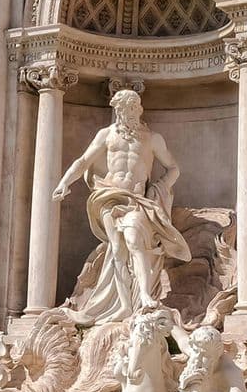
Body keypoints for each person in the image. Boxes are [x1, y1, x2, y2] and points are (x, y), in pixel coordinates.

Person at [53, 89, 190, 322]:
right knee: (117, 249)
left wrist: (159, 189)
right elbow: (83, 161)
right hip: (108, 196)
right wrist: (65, 183)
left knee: (135, 241)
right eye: (121, 110)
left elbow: (174, 168)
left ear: (138, 109)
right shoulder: (106, 135)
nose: (126, 114)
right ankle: (125, 304)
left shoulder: (152, 138)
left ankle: (145, 295)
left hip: (137, 200)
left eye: (130, 109)